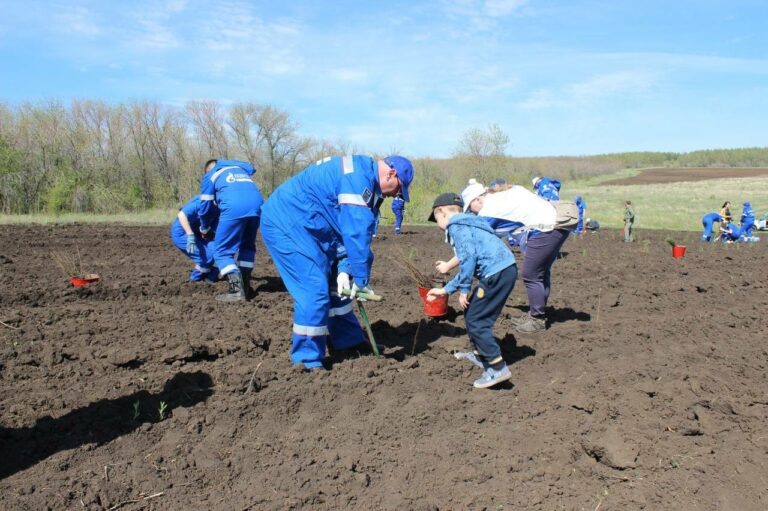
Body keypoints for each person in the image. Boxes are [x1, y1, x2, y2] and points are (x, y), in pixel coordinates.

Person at [260, 154, 413, 370]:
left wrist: (345, 269)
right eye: (399, 188)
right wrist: (360, 279)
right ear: (392, 174)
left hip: (314, 227)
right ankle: (307, 361)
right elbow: (355, 233)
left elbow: (346, 232)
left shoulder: (365, 180)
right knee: (314, 289)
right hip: (288, 224)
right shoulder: (357, 180)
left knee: (338, 287)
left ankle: (348, 342)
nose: (395, 195)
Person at [436, 179, 571, 334]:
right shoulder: (502, 195)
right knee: (540, 273)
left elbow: (472, 248)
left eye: (471, 209)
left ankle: (537, 319)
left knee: (531, 274)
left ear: (478, 199)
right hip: (557, 223)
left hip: (546, 228)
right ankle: (536, 313)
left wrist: (448, 265)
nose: (473, 213)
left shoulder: (489, 211)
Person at [426, 192, 517, 389]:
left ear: (441, 212)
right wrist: (447, 289)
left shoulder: (456, 226)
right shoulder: (470, 222)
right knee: (471, 312)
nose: (438, 224)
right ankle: (480, 355)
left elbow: (468, 258)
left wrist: (463, 290)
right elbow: (468, 257)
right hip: (503, 270)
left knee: (477, 321)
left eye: (436, 219)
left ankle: (497, 368)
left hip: (497, 273)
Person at [198, 159, 264, 302]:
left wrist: (204, 228)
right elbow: (251, 170)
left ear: (208, 170)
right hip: (257, 206)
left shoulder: (211, 176)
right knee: (247, 246)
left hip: (234, 207)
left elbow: (204, 207)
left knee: (221, 251)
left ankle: (236, 291)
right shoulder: (239, 169)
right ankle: (245, 286)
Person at [170, 195, 220, 282]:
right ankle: (195, 280)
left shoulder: (221, 207)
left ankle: (210, 278)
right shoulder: (202, 202)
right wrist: (190, 235)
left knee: (218, 252)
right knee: (207, 258)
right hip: (183, 232)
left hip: (201, 233)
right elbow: (182, 215)